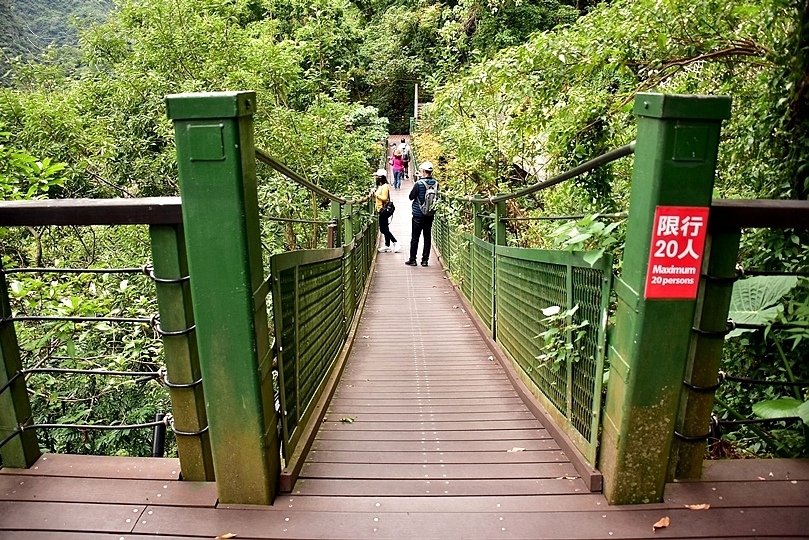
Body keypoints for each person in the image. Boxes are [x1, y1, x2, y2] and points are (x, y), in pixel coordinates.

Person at [405, 161, 437, 267]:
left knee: (415, 237)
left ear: (423, 171)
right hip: (429, 214)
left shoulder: (419, 184)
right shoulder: (436, 183)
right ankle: (425, 260)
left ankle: (413, 260)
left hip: (418, 214)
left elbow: (411, 197)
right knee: (427, 237)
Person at [374, 169, 399, 253]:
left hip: (383, 210)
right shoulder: (381, 186)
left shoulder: (384, 186)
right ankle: (387, 245)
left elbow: (385, 198)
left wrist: (376, 195)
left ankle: (395, 242)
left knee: (383, 230)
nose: (376, 178)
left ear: (381, 178)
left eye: (377, 177)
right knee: (385, 228)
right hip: (381, 209)